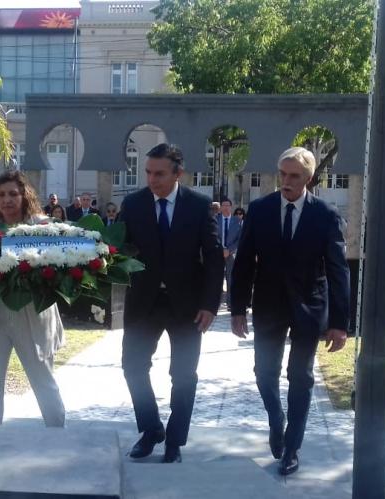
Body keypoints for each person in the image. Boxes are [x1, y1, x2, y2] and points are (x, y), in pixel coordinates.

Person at [230, 146, 350, 476]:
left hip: (309, 307)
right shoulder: (260, 209)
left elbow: (339, 270)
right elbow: (243, 263)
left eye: (294, 175)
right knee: (263, 373)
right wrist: (237, 308)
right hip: (268, 305)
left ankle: (292, 448)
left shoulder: (325, 215)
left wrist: (340, 323)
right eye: (282, 173)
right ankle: (276, 419)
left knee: (301, 376)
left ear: (308, 179)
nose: (286, 180)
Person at [119, 143, 224, 464]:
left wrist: (210, 304)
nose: (152, 179)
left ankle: (175, 441)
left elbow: (214, 259)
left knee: (183, 374)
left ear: (178, 172)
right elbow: (119, 249)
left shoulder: (199, 206)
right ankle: (151, 429)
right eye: (148, 172)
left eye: (160, 173)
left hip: (188, 306)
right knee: (133, 366)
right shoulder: (133, 204)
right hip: (143, 303)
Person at [0, 171, 65, 427]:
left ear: (25, 195)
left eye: (13, 193)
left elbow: (55, 271)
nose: (7, 200)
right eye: (1, 195)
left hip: (32, 316)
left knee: (43, 383)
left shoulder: (42, 225)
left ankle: (59, 437)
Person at [216, 198, 242, 308]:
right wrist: (221, 249)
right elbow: (213, 236)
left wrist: (229, 250)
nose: (226, 207)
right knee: (216, 278)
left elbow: (239, 239)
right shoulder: (215, 219)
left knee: (231, 278)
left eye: (228, 205)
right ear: (221, 207)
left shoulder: (237, 221)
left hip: (231, 254)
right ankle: (215, 303)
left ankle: (230, 303)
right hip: (217, 253)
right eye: (224, 205)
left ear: (231, 207)